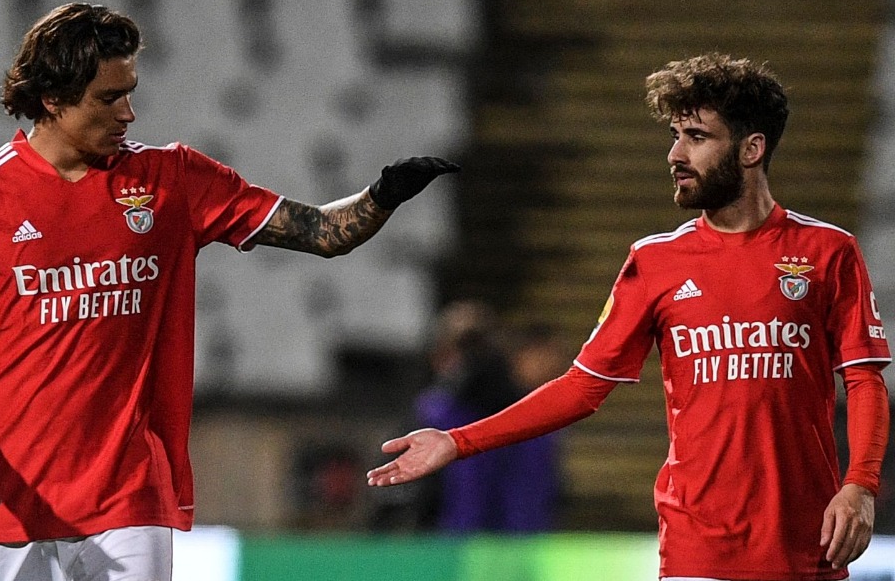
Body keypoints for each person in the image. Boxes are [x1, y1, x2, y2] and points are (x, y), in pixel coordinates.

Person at [0, 2, 457, 578]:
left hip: (129, 495)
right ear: (52, 99)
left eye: (130, 92)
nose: (129, 113)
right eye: (109, 98)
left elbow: (321, 232)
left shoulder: (173, 179)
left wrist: (380, 196)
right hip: (7, 496)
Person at [370, 53, 891, 579]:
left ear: (751, 148)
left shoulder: (828, 252)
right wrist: (457, 441)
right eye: (674, 135)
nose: (675, 154)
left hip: (807, 544)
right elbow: (581, 387)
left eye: (696, 137)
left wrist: (860, 486)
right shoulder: (654, 261)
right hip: (697, 549)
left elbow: (865, 380)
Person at [409, 301, 556, 531]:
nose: (472, 360)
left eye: (478, 346)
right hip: (458, 546)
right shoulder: (434, 413)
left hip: (507, 546)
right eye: (465, 347)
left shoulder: (533, 421)